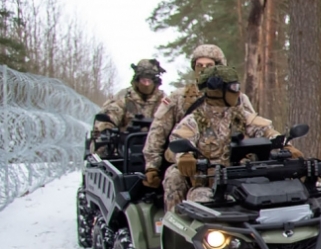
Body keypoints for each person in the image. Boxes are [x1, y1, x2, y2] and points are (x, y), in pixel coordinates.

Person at [162, 65, 278, 208]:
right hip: (209, 186)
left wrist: (284, 144)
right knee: (194, 196)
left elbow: (266, 130)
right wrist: (185, 155)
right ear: (216, 90)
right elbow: (177, 141)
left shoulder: (242, 116)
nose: (238, 92)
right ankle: (179, 225)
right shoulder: (195, 120)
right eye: (234, 87)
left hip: (245, 181)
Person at [142, 43, 255, 190]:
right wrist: (152, 167)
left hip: (231, 161)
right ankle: (175, 213)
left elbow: (252, 127)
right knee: (173, 178)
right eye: (199, 65)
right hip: (190, 163)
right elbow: (158, 132)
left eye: (209, 65)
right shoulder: (178, 98)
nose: (203, 69)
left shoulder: (237, 98)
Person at [93, 59, 164, 152]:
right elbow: (110, 114)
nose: (146, 84)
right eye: (143, 80)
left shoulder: (164, 101)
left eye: (149, 81)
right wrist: (106, 130)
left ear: (155, 82)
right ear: (137, 80)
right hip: (125, 149)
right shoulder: (124, 98)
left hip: (157, 149)